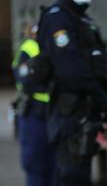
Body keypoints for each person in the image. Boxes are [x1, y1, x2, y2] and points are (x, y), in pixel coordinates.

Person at [38, 0, 107, 186]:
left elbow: (104, 60)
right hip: (70, 113)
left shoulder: (84, 20)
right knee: (71, 176)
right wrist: (103, 98)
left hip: (86, 112)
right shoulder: (58, 20)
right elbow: (70, 71)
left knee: (80, 175)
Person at [12, 22, 56, 186]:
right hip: (34, 113)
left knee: (53, 165)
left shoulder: (55, 48)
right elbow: (22, 79)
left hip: (52, 112)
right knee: (36, 165)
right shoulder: (29, 48)